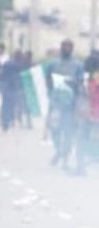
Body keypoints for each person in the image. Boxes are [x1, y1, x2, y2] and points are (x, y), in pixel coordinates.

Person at [47, 39, 86, 173]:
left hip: (71, 104)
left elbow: (80, 82)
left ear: (72, 49)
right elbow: (47, 80)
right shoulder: (53, 64)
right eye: (64, 46)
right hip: (56, 102)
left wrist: (71, 82)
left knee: (68, 131)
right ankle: (59, 150)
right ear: (60, 48)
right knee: (54, 129)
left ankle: (65, 157)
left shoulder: (78, 65)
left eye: (69, 47)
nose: (66, 49)